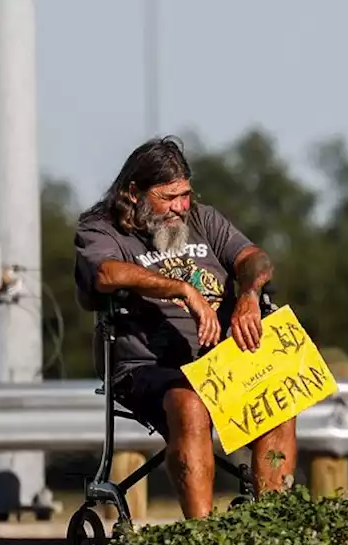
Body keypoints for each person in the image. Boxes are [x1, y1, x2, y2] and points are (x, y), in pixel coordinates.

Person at [73, 136, 296, 519]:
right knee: (190, 401)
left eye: (185, 195)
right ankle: (201, 538)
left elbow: (255, 258)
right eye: (168, 197)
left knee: (278, 399)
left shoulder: (202, 219)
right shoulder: (100, 229)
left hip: (217, 361)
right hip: (146, 369)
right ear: (134, 192)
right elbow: (106, 273)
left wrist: (248, 295)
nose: (180, 207)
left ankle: (271, 528)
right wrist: (183, 290)